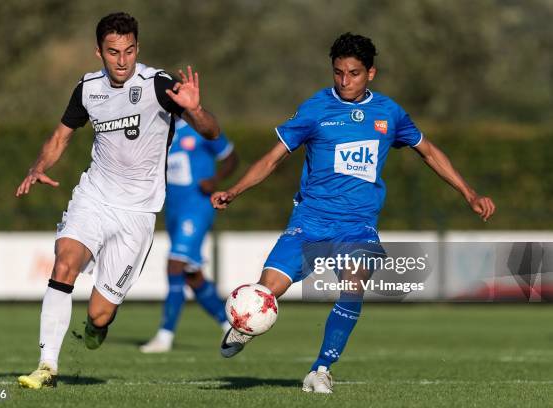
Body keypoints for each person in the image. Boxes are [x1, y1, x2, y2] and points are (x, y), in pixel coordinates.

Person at [211, 32, 495, 394]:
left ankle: (321, 369)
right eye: (338, 73)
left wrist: (468, 192)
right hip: (309, 222)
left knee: (353, 286)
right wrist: (234, 190)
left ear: (371, 74)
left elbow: (430, 152)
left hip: (357, 227)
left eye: (354, 73)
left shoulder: (389, 113)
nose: (345, 81)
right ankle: (246, 322)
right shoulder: (315, 109)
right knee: (266, 291)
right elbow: (272, 158)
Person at [15, 12, 220, 389]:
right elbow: (61, 137)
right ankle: (47, 366)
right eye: (113, 52)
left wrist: (194, 108)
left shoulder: (159, 84)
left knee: (99, 314)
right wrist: (36, 166)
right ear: (99, 52)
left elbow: (211, 131)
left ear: (137, 49)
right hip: (94, 197)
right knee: (64, 264)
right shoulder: (87, 89)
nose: (121, 60)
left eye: (128, 51)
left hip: (138, 213)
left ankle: (97, 328)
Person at [139, 118, 238, 353]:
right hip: (173, 210)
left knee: (175, 265)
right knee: (192, 274)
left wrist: (215, 180)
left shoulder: (201, 128)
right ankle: (231, 326)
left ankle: (165, 336)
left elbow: (231, 158)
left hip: (196, 209)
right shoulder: (158, 130)